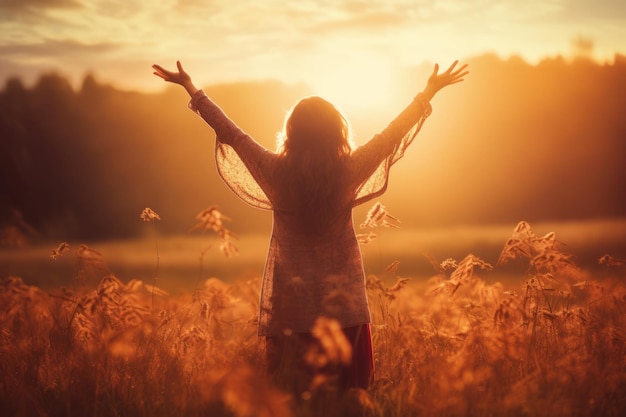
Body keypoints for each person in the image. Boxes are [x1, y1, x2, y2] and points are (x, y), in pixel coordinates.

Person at [152, 60, 468, 392]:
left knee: (293, 398)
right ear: (337, 132)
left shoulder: (275, 172)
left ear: (291, 133)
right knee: (349, 400)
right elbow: (390, 135)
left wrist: (191, 87)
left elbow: (231, 132)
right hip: (344, 309)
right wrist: (429, 92)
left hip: (292, 309)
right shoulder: (348, 171)